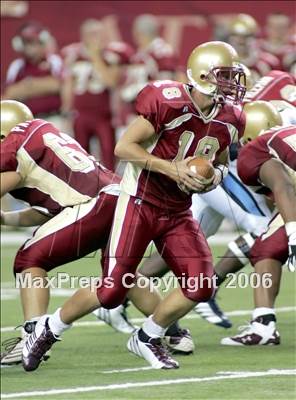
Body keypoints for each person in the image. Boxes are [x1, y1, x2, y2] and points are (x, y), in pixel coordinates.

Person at [22, 41, 247, 371]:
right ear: (202, 75)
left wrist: (213, 178)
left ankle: (147, 337)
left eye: (233, 76)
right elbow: (123, 147)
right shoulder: (169, 103)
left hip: (177, 210)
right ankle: (47, 329)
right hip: (139, 201)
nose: (232, 84)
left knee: (201, 284)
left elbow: (222, 161)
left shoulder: (231, 118)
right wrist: (172, 168)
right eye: (225, 75)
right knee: (112, 290)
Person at [0, 100, 171, 365]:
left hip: (93, 205)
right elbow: (51, 210)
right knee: (121, 275)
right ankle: (173, 331)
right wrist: (5, 218)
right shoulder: (45, 135)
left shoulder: (15, 145)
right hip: (120, 198)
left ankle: (33, 334)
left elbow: (8, 180)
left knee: (29, 259)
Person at [221, 101, 296, 346]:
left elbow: (282, 186)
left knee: (266, 247)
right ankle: (263, 324)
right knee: (265, 247)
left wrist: (294, 236)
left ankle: (263, 326)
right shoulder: (283, 134)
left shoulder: (254, 151)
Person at [61, 19, 131, 169]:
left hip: (103, 115)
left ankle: (111, 189)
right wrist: (66, 110)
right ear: (83, 36)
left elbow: (111, 82)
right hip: (80, 114)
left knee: (108, 158)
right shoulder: (73, 56)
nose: (97, 38)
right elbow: (68, 86)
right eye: (92, 34)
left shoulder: (111, 57)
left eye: (99, 34)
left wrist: (95, 56)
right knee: (80, 159)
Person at [3, 21, 63, 129]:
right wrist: (42, 85)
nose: (30, 47)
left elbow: (58, 85)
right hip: (26, 122)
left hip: (53, 118)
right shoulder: (17, 66)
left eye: (34, 42)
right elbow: (9, 94)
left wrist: (28, 85)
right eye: (26, 43)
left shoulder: (53, 61)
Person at [227, 14, 280, 81]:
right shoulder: (223, 62)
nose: (241, 41)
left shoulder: (268, 62)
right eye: (236, 36)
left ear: (254, 37)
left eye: (246, 36)